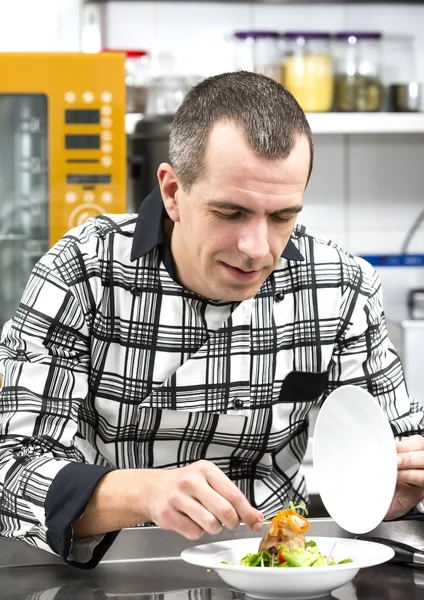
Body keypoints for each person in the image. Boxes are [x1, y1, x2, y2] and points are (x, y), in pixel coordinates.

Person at [0, 71, 423, 570]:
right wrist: (145, 492)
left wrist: (390, 495)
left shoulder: (343, 286)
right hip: (119, 564)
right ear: (173, 191)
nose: (256, 250)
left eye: (283, 216)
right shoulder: (82, 271)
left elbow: (396, 449)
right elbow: (12, 468)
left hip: (281, 569)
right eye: (230, 212)